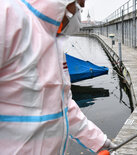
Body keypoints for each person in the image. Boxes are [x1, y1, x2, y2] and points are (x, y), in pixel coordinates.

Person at [0, 0, 115, 154]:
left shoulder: (54, 41)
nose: (82, 9)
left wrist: (99, 141)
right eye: (79, 5)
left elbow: (63, 105)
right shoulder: (8, 17)